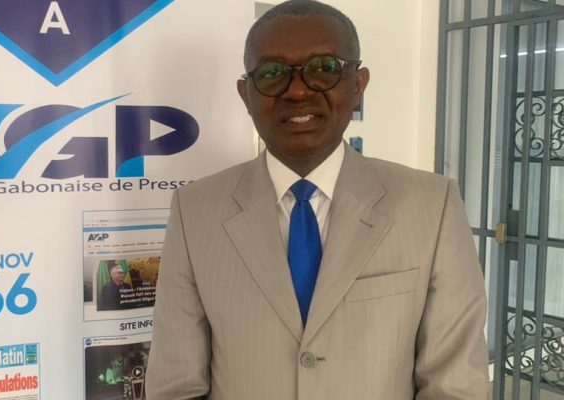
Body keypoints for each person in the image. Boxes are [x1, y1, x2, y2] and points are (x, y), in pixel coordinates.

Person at [145, 1, 489, 399]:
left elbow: (455, 385)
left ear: (357, 84)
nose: (297, 91)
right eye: (272, 73)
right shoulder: (194, 211)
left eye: (323, 68)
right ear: (245, 94)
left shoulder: (432, 206)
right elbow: (176, 386)